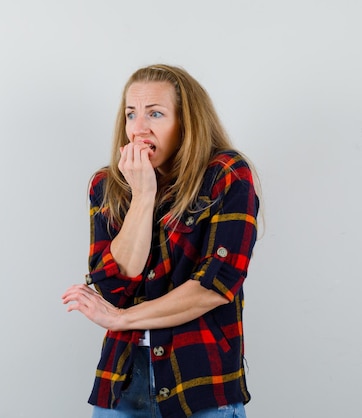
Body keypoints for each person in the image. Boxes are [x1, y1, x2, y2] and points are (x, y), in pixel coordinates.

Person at [61, 64, 260, 418]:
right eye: (131, 114)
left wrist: (122, 319)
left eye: (155, 113)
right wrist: (142, 196)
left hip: (201, 381)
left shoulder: (226, 175)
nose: (139, 129)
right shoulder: (107, 186)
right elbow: (114, 282)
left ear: (187, 122)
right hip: (124, 382)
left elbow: (214, 287)